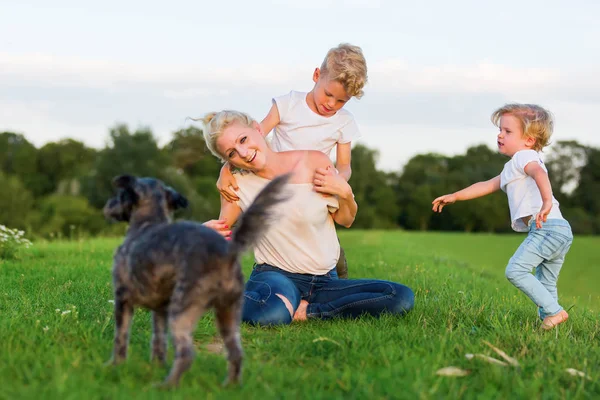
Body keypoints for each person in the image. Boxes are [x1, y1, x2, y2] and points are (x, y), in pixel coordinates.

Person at [201, 110, 414, 326]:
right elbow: (222, 232)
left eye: (243, 140)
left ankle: (308, 310)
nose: (244, 153)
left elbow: (345, 220)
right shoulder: (236, 184)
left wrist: (346, 193)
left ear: (257, 128)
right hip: (276, 277)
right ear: (228, 161)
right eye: (232, 153)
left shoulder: (314, 161)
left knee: (399, 297)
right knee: (270, 314)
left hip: (325, 281)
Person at [215, 43, 368, 279]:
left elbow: (344, 165)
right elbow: (256, 135)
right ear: (317, 75)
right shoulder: (288, 104)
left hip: (313, 184)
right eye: (328, 94)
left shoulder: (344, 122)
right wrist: (226, 168)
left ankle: (334, 271)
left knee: (317, 231)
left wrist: (336, 182)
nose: (331, 105)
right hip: (275, 178)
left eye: (341, 101)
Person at [432, 104, 573, 330]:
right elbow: (487, 185)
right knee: (545, 282)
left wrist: (547, 201)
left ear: (528, 140)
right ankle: (550, 326)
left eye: (508, 132)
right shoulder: (513, 166)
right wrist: (456, 196)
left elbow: (538, 172)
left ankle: (556, 312)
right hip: (559, 230)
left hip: (546, 227)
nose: (500, 135)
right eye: (500, 130)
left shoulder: (525, 157)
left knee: (515, 270)